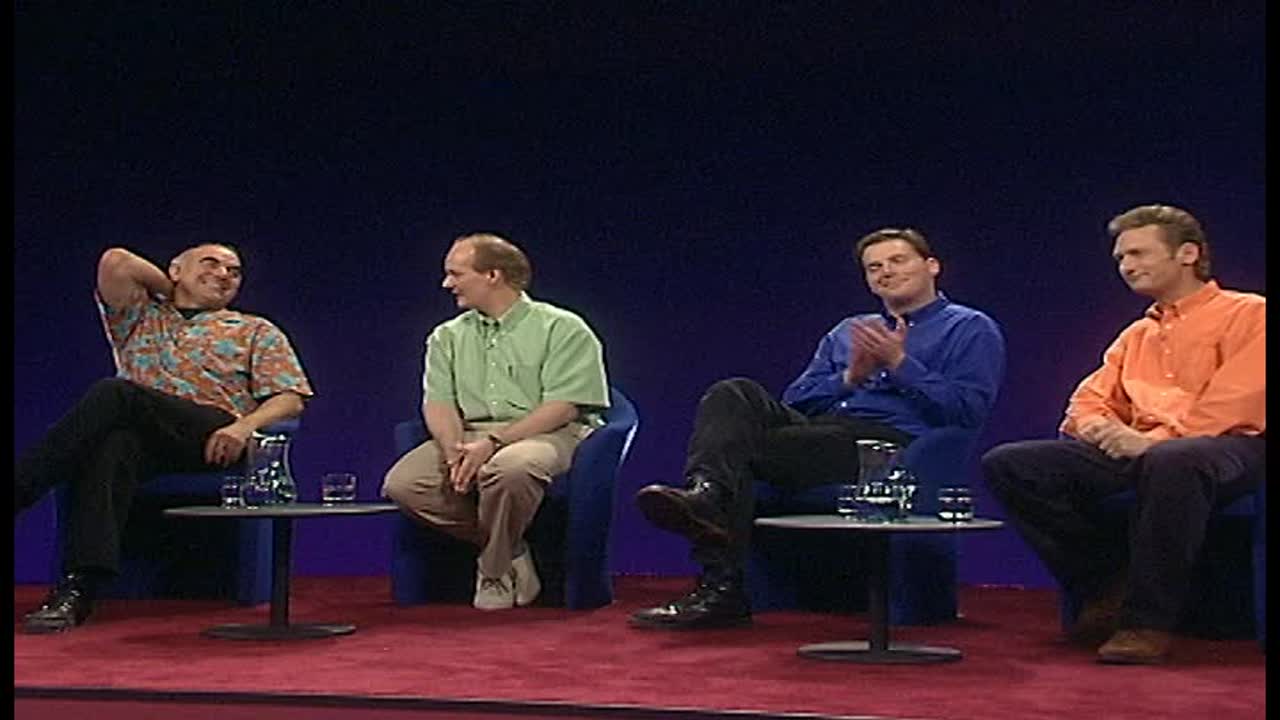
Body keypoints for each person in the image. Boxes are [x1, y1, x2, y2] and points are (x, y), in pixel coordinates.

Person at [630, 227, 1006, 630]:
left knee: (733, 453)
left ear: (932, 266)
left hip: (888, 445)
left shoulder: (970, 328)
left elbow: (966, 410)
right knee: (733, 393)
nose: (885, 272)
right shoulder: (849, 330)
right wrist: (850, 377)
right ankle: (708, 493)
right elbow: (796, 400)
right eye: (874, 267)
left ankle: (720, 584)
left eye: (897, 261)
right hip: (820, 434)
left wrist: (900, 364)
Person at [981, 204, 1265, 665]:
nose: (1126, 266)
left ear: (1187, 253)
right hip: (1142, 447)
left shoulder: (1250, 313)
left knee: (1174, 459)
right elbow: (1087, 401)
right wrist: (1099, 428)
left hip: (1233, 445)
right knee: (1013, 463)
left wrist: (1154, 441)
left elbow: (1240, 400)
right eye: (1120, 258)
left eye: (1138, 253)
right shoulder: (1137, 334)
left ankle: (1146, 623)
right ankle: (1106, 583)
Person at [14, 242, 314, 633]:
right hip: (148, 444)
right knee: (111, 446)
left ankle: (20, 488)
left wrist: (243, 427)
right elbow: (116, 261)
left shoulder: (255, 330)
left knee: (114, 393)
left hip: (213, 435)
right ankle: (78, 588)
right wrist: (174, 292)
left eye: (234, 271)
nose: (224, 274)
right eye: (210, 264)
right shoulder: (142, 317)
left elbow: (290, 399)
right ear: (175, 270)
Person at [382, 233, 610, 611]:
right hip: (471, 434)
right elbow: (439, 403)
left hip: (548, 432)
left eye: (456, 273)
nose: (447, 284)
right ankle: (512, 550)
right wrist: (453, 450)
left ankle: (493, 571)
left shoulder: (563, 328)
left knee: (510, 468)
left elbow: (563, 407)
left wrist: (494, 443)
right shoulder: (446, 336)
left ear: (493, 275)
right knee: (403, 484)